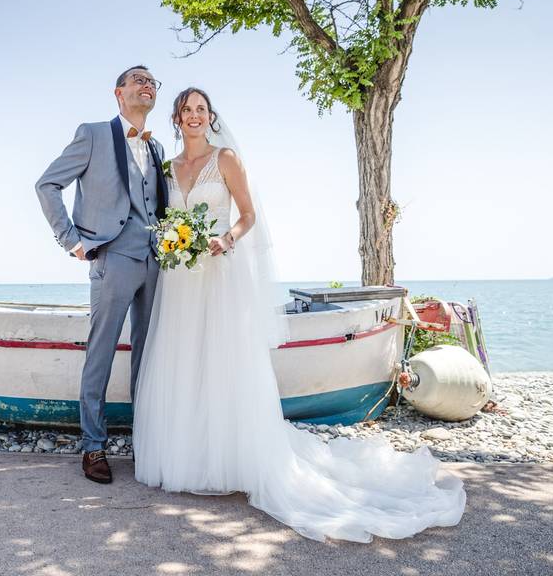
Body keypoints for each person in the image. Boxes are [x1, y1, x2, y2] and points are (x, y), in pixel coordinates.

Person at [132, 87, 466, 543]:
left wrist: (225, 240)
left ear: (211, 117)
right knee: (183, 359)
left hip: (219, 273)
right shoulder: (169, 168)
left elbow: (248, 215)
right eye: (186, 110)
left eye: (201, 110)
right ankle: (186, 456)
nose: (194, 116)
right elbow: (164, 218)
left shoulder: (225, 158)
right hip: (182, 278)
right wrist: (173, 240)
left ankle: (231, 457)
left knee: (224, 361)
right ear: (176, 117)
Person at [35, 65, 169, 484]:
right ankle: (93, 446)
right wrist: (72, 241)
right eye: (139, 80)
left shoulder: (159, 147)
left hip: (157, 260)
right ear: (119, 92)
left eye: (152, 82)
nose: (147, 86)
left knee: (150, 356)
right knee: (102, 352)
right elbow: (47, 185)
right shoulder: (93, 134)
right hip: (112, 257)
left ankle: (146, 442)